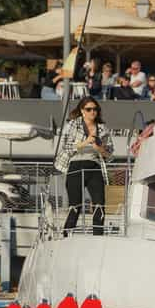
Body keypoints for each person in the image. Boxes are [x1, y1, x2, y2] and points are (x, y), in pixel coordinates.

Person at [54, 96, 114, 236]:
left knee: (99, 203)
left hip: (94, 166)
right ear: (82, 111)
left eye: (95, 109)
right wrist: (86, 141)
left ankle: (98, 236)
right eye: (89, 109)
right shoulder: (73, 125)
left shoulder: (102, 128)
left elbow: (110, 154)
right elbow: (65, 148)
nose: (93, 112)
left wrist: (99, 149)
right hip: (76, 165)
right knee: (75, 205)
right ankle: (67, 235)